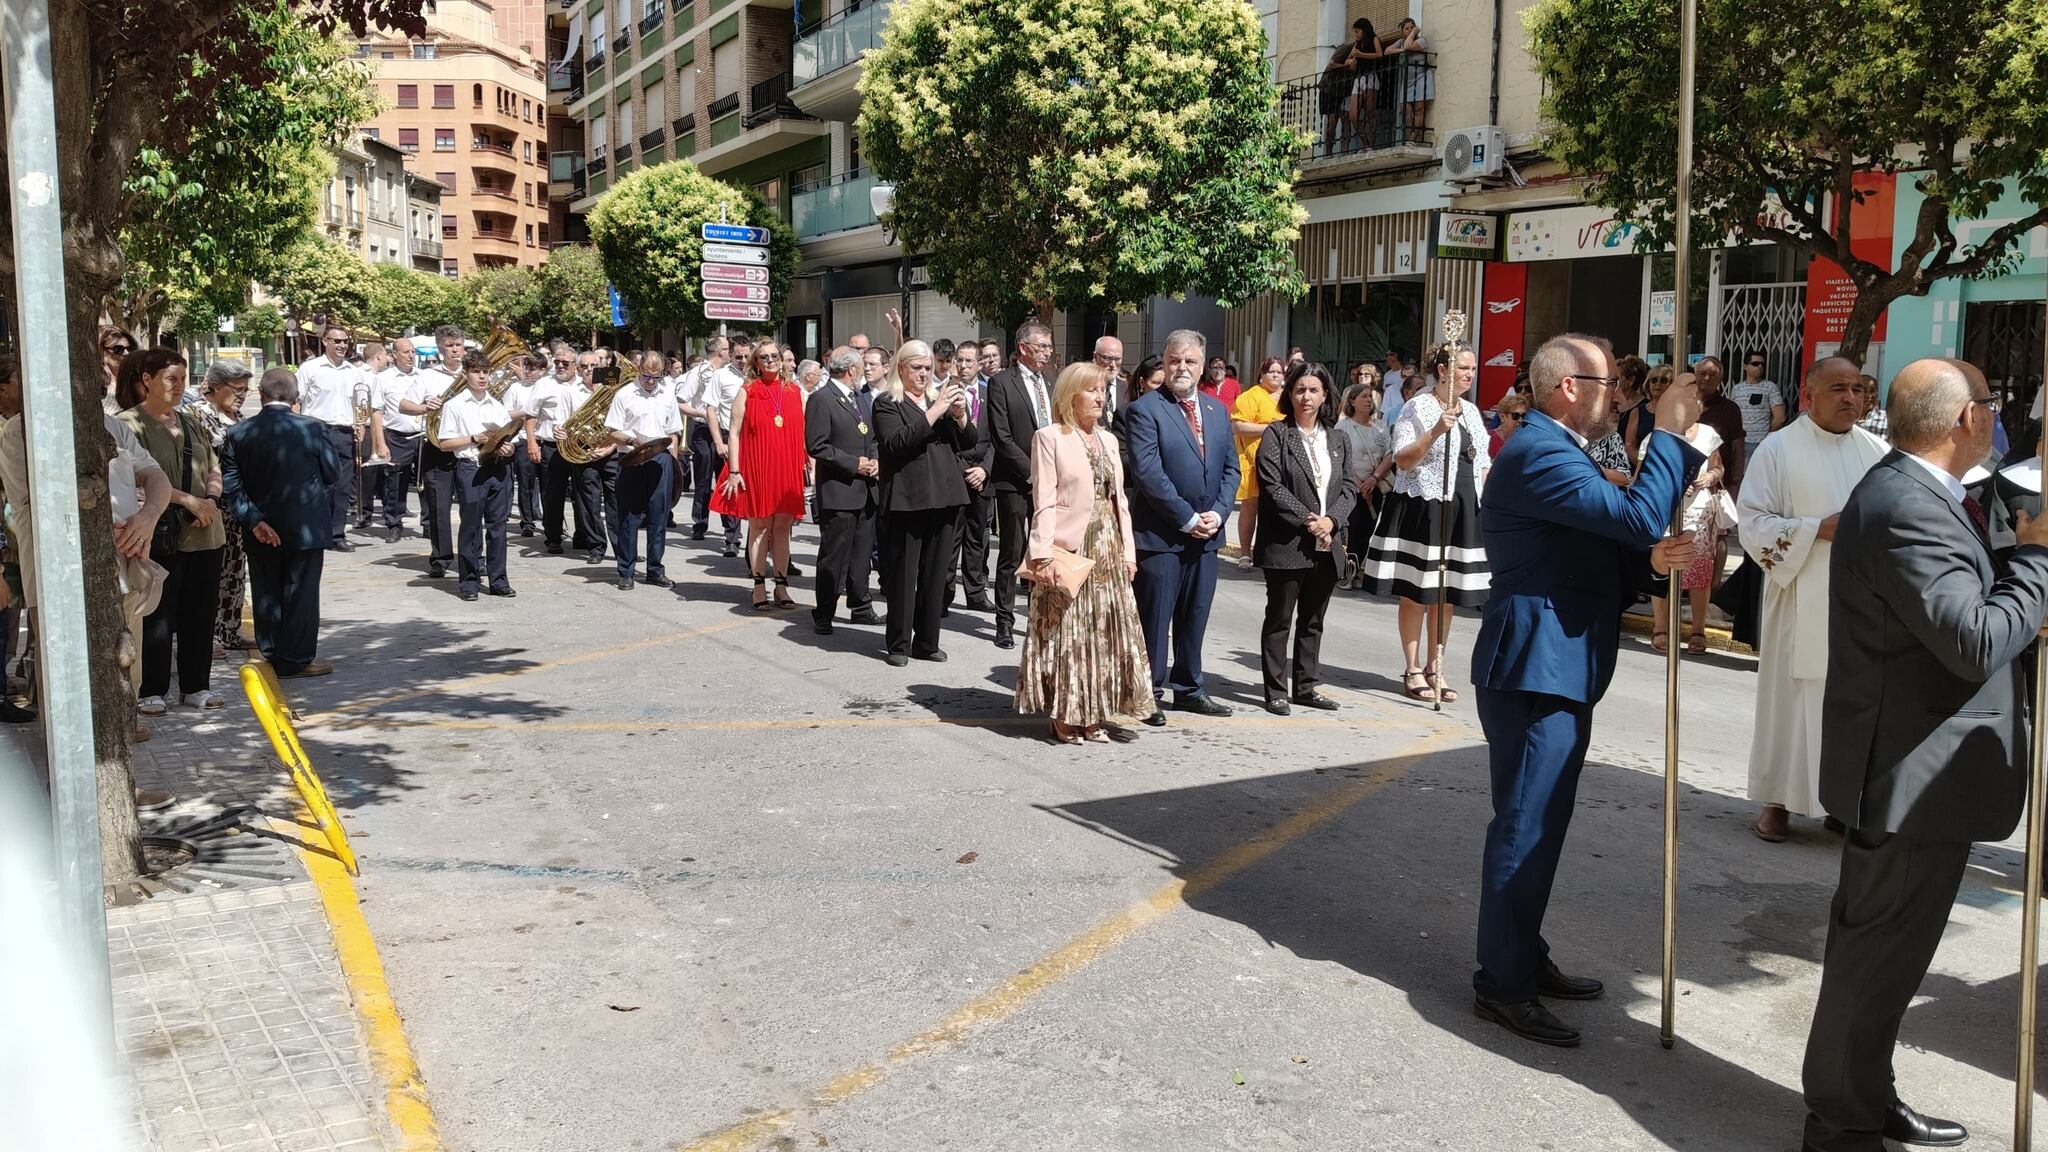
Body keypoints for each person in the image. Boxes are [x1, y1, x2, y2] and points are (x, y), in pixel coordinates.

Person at [1799, 359, 2048, 1152]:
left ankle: (1865, 1094)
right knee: (1875, 961)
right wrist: (2037, 559)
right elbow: (1972, 640)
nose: (1996, 415)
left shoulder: (1926, 493)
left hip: (1919, 771)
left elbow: (1956, 607)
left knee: (1887, 963)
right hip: (1908, 773)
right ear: (1966, 419)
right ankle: (1840, 1124)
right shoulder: (1908, 504)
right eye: (1991, 403)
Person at [1469, 333, 1706, 1048]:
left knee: (1542, 822)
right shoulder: (1540, 450)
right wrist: (1670, 435)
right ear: (1568, 387)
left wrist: (1649, 559)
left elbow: (1604, 544)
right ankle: (1502, 983)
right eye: (1609, 386)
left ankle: (1522, 951)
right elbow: (1634, 516)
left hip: (1559, 660)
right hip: (1536, 664)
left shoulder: (1563, 449)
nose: (1620, 398)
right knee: (1526, 824)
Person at [1736, 358, 1888, 843]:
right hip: (1799, 594)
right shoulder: (1778, 449)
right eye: (1838, 388)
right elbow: (1751, 522)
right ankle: (1777, 801)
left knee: (1853, 706)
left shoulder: (1879, 452)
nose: (1850, 398)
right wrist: (1815, 530)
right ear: (1808, 394)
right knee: (1790, 704)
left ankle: (1842, 804)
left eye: (1857, 389)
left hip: (1860, 606)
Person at [1016, 362, 1152, 742]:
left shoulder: (1108, 440)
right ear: (1069, 395)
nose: (1100, 396)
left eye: (1103, 389)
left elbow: (1120, 501)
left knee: (1103, 635)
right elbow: (1043, 501)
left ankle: (1093, 713)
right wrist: (1042, 553)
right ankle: (1067, 713)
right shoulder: (1050, 437)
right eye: (1091, 390)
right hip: (1070, 548)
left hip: (1109, 546)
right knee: (1070, 634)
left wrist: (1129, 553)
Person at [1364, 341, 1490, 704]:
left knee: (1446, 593)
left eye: (1473, 368)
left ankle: (1437, 666)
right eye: (1463, 367)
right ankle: (1413, 667)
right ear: (1443, 370)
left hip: (1462, 507)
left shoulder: (1471, 411)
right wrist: (1435, 430)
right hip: (1424, 506)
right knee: (1417, 591)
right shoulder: (1417, 406)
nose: (1470, 374)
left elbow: (1482, 462)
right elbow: (1403, 459)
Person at [1123, 329, 1238, 724]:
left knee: (1195, 616)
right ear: (1165, 362)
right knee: (1155, 620)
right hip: (1162, 536)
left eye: (1190, 361)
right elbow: (1148, 474)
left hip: (1207, 536)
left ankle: (1189, 688)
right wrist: (1187, 518)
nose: (1182, 368)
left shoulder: (1217, 411)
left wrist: (1218, 514)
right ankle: (1148, 692)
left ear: (1203, 365)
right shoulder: (1145, 410)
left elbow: (1231, 470)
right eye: (1174, 360)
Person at [117, 349, 227, 713]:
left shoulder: (191, 420)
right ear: (147, 380)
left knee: (200, 611)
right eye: (170, 379)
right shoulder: (128, 424)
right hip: (160, 531)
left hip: (205, 530)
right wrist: (188, 501)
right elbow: (137, 479)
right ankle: (152, 688)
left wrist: (210, 499)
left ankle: (196, 685)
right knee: (156, 613)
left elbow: (213, 465)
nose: (178, 386)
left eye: (183, 379)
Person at [221, 368, 341, 678]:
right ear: (295, 396)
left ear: (260, 395)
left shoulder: (239, 432)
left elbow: (231, 484)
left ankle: (272, 650)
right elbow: (332, 473)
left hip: (260, 526)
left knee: (266, 590)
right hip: (305, 526)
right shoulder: (313, 428)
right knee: (301, 593)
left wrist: (254, 520)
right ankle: (296, 659)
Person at [1254, 363, 1356, 714]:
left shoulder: (1338, 439)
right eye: (1300, 390)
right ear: (1290, 394)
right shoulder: (1277, 435)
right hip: (1287, 542)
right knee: (1279, 618)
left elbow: (1349, 488)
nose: (1306, 397)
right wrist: (1310, 521)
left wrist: (1331, 521)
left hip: (1327, 543)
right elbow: (1272, 486)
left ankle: (1306, 687)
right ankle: (1276, 691)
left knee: (1313, 620)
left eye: (1313, 390)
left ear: (1325, 395)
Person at [873, 340, 978, 666]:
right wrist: (935, 411)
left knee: (936, 575)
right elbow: (897, 443)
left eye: (928, 368)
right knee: (904, 575)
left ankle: (927, 641)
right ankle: (899, 643)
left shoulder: (937, 399)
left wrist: (960, 415)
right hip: (907, 498)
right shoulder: (887, 402)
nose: (923, 374)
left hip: (944, 496)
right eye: (917, 368)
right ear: (901, 368)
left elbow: (968, 442)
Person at [713, 341, 808, 609]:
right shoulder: (747, 391)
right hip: (758, 465)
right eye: (764, 357)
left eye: (774, 356)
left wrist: (807, 461)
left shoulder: (794, 391)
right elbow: (733, 432)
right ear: (756, 362)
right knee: (759, 527)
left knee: (782, 528)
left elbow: (803, 430)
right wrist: (734, 470)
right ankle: (758, 585)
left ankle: (781, 585)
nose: (770, 361)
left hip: (787, 467)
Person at [983, 321, 1057, 650]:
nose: (1047, 353)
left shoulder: (1051, 382)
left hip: (1050, 482)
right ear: (1024, 347)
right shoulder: (1002, 382)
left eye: (1050, 347)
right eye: (1042, 347)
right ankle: (1004, 619)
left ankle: (1040, 617)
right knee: (1012, 552)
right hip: (1015, 481)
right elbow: (1002, 437)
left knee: (1044, 551)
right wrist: (1033, 473)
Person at [806, 348, 881, 634]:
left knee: (862, 555)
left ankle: (860, 606)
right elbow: (817, 445)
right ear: (850, 369)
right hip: (839, 490)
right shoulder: (821, 399)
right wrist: (853, 464)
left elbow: (872, 436)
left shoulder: (860, 397)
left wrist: (874, 460)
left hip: (866, 490)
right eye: (861, 366)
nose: (864, 371)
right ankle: (824, 611)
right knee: (834, 556)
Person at [433, 353, 518, 602]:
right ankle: (469, 581)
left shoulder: (497, 405)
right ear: (465, 374)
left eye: (486, 372)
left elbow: (510, 439)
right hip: (471, 467)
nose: (482, 377)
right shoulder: (455, 405)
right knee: (470, 527)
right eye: (476, 372)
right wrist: (473, 438)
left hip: (497, 467)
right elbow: (445, 443)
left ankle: (499, 580)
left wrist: (508, 448)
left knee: (498, 527)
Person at [602, 349, 683, 591]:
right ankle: (626, 572)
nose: (651, 381)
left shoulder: (667, 394)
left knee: (659, 517)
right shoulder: (624, 394)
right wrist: (630, 440)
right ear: (639, 370)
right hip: (632, 458)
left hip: (660, 459)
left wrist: (673, 464)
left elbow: (673, 432)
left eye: (657, 377)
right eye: (647, 376)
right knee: (629, 517)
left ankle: (655, 570)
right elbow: (612, 430)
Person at [191, 360, 256, 655]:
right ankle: (207, 637)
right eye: (237, 389)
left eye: (245, 389)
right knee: (210, 573)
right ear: (216, 387)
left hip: (237, 507)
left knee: (234, 570)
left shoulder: (238, 417)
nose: (242, 395)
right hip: (211, 503)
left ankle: (229, 631)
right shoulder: (197, 415)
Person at [400, 325, 467, 577]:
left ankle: (473, 557)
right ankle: (440, 557)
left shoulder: (474, 373)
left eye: (458, 345)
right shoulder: (427, 376)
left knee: (472, 506)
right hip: (438, 446)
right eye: (449, 346)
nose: (455, 350)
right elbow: (404, 405)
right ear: (440, 349)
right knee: (438, 506)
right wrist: (424, 406)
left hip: (468, 446)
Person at [296, 324, 365, 552]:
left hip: (345, 432)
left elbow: (360, 403)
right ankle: (317, 532)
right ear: (325, 341)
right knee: (317, 485)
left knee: (343, 486)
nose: (342, 345)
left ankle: (337, 534)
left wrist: (361, 425)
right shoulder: (310, 368)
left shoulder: (354, 371)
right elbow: (297, 400)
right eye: (337, 341)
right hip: (317, 430)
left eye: (345, 341)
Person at [679, 335, 745, 557]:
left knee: (728, 479)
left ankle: (732, 534)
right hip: (703, 430)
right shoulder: (698, 373)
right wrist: (703, 413)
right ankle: (700, 522)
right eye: (727, 349)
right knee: (703, 479)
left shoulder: (734, 374)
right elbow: (681, 401)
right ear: (719, 351)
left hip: (727, 432)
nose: (730, 353)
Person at [947, 340, 995, 613]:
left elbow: (997, 438)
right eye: (960, 360)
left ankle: (976, 593)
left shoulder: (990, 393)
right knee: (950, 538)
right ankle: (943, 593)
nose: (964, 366)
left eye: (969, 361)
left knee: (976, 538)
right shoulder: (946, 392)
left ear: (979, 363)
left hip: (981, 475)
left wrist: (985, 469)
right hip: (955, 473)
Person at [1231, 357, 1288, 569]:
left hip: (1283, 462)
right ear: (1262, 374)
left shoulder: (1289, 397)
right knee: (1250, 507)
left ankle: (1270, 553)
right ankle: (1245, 553)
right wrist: (1271, 429)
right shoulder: (1250, 396)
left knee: (1278, 508)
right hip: (1253, 459)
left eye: (1279, 372)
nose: (1275, 375)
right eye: (1271, 371)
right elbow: (1238, 426)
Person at [1335, 380, 1391, 588]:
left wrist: (1373, 478)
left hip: (1374, 486)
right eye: (1363, 396)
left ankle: (1359, 571)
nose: (1368, 400)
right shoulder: (1343, 427)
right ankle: (1347, 572)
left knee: (1368, 530)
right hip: (1351, 488)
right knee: (1353, 531)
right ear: (1352, 401)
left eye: (1370, 396)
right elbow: (1339, 456)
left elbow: (1389, 454)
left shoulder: (1380, 427)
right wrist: (1358, 482)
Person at [373, 339, 424, 545]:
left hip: (422, 435)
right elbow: (377, 412)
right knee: (395, 483)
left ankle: (429, 524)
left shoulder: (422, 375)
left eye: (413, 351)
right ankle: (394, 524)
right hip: (397, 436)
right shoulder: (383, 378)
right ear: (394, 355)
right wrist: (381, 443)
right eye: (406, 352)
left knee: (427, 482)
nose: (411, 356)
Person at [503, 352, 547, 538]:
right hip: (522, 438)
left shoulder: (548, 386)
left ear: (542, 370)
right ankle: (527, 521)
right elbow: (505, 413)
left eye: (533, 368)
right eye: (526, 367)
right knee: (525, 482)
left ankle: (551, 522)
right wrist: (526, 412)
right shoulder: (516, 387)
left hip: (544, 438)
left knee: (548, 484)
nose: (528, 371)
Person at [1693, 355, 1748, 496]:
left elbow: (1738, 448)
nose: (1706, 378)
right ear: (1695, 375)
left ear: (1720, 379)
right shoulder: (1685, 406)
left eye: (1712, 375)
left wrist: (1735, 484)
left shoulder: (1730, 409)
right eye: (1702, 373)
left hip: (1719, 486)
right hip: (1687, 484)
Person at [1728, 348, 1786, 463]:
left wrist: (1766, 438)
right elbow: (1732, 415)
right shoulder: (1737, 389)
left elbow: (1780, 418)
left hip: (1759, 443)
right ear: (1745, 367)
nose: (1760, 367)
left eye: (1762, 364)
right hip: (1738, 442)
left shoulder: (1770, 387)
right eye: (1755, 363)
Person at [1389, 18, 1432, 138]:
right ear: (1402, 31)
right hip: (1407, 81)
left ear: (1416, 29)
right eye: (1406, 29)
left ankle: (1412, 140)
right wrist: (1402, 50)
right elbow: (1387, 51)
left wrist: (1413, 33)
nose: (1409, 30)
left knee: (1418, 109)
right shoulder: (1400, 42)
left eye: (1411, 28)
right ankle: (1410, 137)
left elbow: (1409, 46)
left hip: (1421, 78)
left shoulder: (1421, 41)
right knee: (1405, 110)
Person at [1318, 41, 1354, 157]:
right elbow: (1331, 65)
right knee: (1332, 121)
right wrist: (1346, 66)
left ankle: (1344, 151)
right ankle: (1328, 152)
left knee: (1346, 119)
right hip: (1330, 89)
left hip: (1344, 90)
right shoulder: (1345, 48)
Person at [1489, 391, 1529, 458]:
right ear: (1502, 417)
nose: (1520, 420)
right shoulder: (1488, 439)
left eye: (1523, 416)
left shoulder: (1527, 440)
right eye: (1515, 416)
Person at [1854, 374, 1888, 439]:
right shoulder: (1846, 419)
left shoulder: (1886, 419)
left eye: (1872, 391)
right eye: (1864, 391)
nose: (1868, 396)